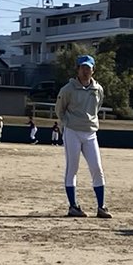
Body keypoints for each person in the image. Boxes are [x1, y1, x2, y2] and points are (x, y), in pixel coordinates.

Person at [55, 54, 110, 217]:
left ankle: (101, 206)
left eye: (88, 68)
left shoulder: (98, 89)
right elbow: (60, 109)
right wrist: (67, 123)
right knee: (72, 168)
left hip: (90, 132)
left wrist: (89, 121)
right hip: (72, 131)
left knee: (97, 168)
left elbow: (97, 106)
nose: (85, 71)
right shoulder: (67, 89)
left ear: (93, 70)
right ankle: (73, 206)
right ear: (77, 69)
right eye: (83, 68)